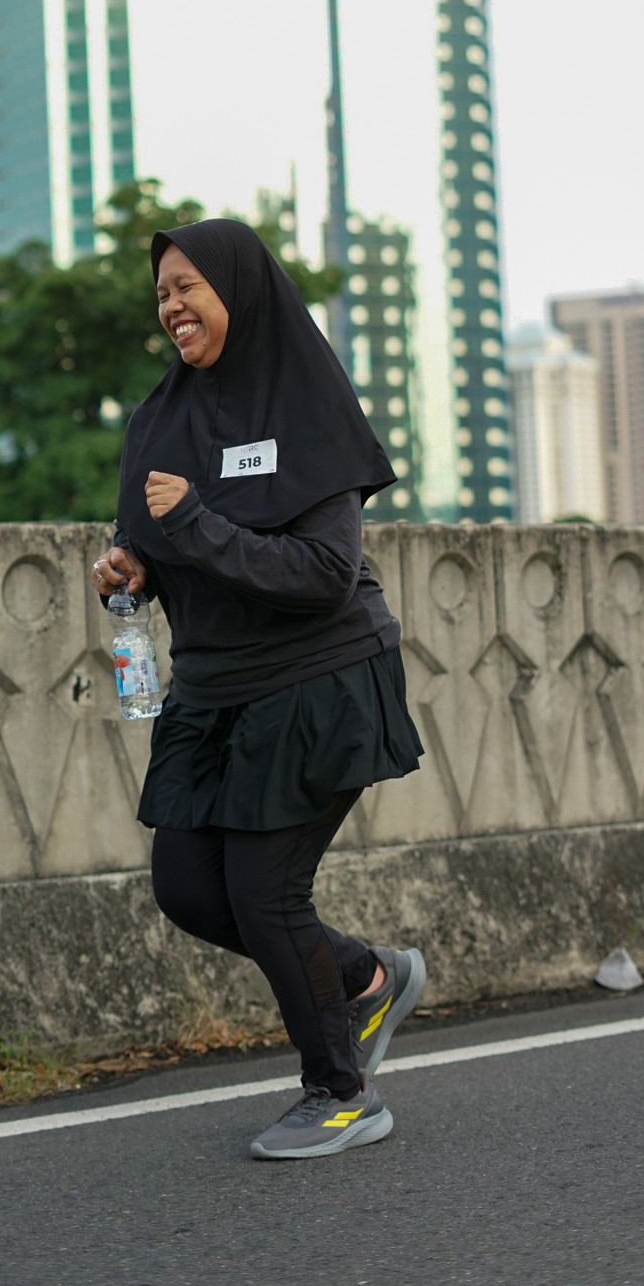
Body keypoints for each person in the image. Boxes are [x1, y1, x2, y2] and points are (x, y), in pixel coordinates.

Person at [90, 218, 426, 1161]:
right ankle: (367, 979)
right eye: (162, 292)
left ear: (238, 290)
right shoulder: (158, 421)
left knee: (265, 891)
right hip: (213, 690)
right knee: (190, 890)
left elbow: (323, 573)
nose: (171, 306)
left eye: (188, 286)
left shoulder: (305, 402)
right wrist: (128, 574)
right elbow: (155, 550)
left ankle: (342, 1094)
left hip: (317, 679)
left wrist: (195, 524)